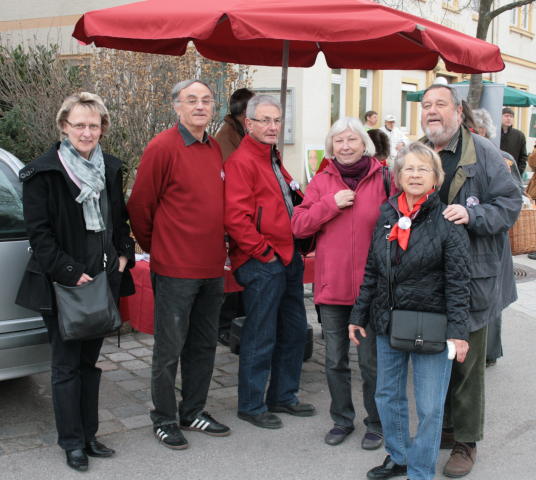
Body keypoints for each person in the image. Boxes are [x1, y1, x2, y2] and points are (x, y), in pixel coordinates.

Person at [15, 92, 135, 471]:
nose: (87, 132)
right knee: (66, 365)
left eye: (94, 125)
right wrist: (69, 271)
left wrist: (123, 254)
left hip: (103, 279)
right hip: (63, 283)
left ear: (103, 129)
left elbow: (120, 220)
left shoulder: (111, 168)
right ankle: (72, 443)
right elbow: (40, 236)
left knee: (90, 363)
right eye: (79, 124)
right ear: (64, 126)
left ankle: (89, 435)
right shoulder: (43, 172)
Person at [349, 142, 471, 480]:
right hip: (388, 321)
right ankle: (399, 456)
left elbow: (459, 283)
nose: (415, 174)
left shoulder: (448, 220)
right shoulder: (388, 214)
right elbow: (372, 270)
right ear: (398, 175)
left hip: (433, 324)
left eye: (423, 169)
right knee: (387, 395)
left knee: (431, 407)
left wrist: (459, 333)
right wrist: (358, 316)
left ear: (435, 177)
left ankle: (420, 470)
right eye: (409, 169)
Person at [420, 84, 521, 478]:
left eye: (440, 105)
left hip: (475, 277)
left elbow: (510, 205)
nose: (432, 112)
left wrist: (473, 216)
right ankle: (445, 427)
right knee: (435, 355)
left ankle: (466, 441)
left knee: (466, 362)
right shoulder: (418, 152)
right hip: (430, 277)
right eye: (427, 105)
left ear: (458, 113)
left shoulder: (485, 153)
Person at [127, 79, 230, 450]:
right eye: (192, 100)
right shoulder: (162, 147)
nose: (200, 106)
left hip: (211, 267)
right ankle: (165, 418)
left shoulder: (214, 146)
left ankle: (194, 411)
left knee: (203, 345)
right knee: (169, 349)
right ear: (177, 106)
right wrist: (158, 247)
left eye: (206, 100)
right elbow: (139, 206)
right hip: (174, 268)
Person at [292, 117, 389, 449]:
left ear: (365, 144)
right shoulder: (321, 181)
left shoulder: (385, 179)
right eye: (338, 141)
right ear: (331, 146)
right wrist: (329, 205)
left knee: (370, 362)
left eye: (352, 140)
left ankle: (376, 422)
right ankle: (342, 419)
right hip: (332, 289)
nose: (345, 146)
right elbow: (300, 226)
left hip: (371, 290)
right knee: (335, 359)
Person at [224, 94, 315, 429]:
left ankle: (283, 395)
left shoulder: (273, 157)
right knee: (261, 334)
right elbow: (235, 219)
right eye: (265, 120)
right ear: (248, 123)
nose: (273, 126)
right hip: (264, 260)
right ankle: (251, 403)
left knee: (292, 331)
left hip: (288, 255)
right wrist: (264, 253)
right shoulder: (241, 161)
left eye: (277, 120)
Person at [472, 108, 521, 367]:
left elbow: (513, 195)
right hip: (482, 238)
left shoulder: (501, 158)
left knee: (493, 297)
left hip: (493, 240)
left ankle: (491, 352)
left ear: (482, 131)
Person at [214, 87, 254, 345]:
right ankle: (226, 326)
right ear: (241, 115)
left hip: (243, 215)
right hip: (232, 215)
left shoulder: (240, 133)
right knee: (232, 273)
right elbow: (234, 176)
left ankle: (236, 321)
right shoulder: (227, 136)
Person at [215, 87, 255, 161]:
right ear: (245, 111)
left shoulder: (242, 130)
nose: (257, 110)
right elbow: (231, 168)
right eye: (255, 106)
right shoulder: (227, 135)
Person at [500, 107, 528, 175]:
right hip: (496, 172)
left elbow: (523, 157)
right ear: (500, 117)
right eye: (506, 116)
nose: (509, 118)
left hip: (513, 174)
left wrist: (518, 172)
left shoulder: (519, 135)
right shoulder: (494, 133)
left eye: (511, 116)